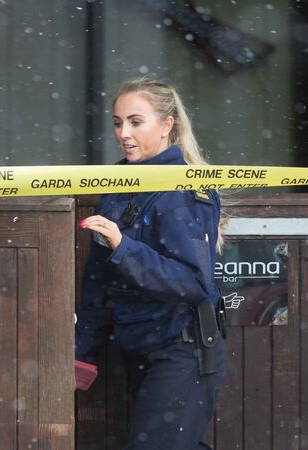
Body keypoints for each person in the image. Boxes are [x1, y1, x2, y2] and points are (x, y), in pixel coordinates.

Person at [76, 78, 226, 450]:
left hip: (182, 349)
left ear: (166, 124)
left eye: (135, 121)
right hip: (137, 348)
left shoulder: (185, 189)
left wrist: (123, 246)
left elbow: (193, 283)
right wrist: (80, 352)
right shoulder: (117, 184)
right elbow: (98, 281)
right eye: (116, 122)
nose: (123, 133)